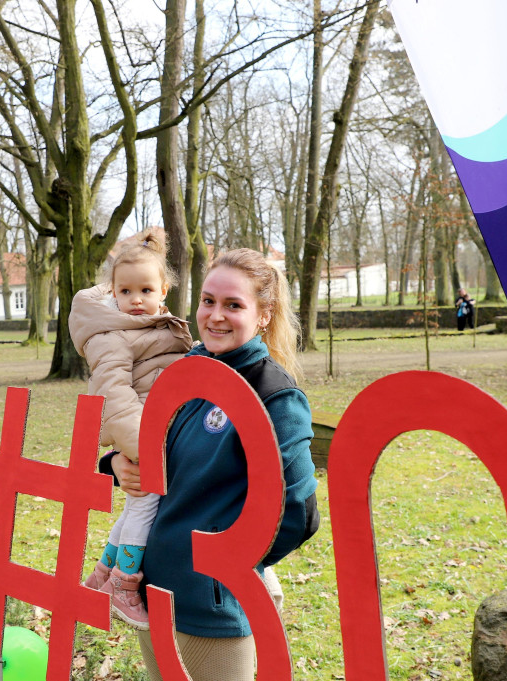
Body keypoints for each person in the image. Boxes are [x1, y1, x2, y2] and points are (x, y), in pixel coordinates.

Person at [104, 248, 320, 681]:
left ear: (263, 314)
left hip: (211, 608)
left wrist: (231, 572)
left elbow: (299, 512)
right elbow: (150, 449)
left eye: (233, 305)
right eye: (208, 301)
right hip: (153, 594)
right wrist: (113, 465)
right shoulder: (184, 371)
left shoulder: (274, 395)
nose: (215, 316)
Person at [69, 229, 193, 629]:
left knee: (134, 507)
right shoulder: (113, 335)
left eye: (145, 289)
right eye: (124, 291)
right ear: (113, 293)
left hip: (156, 432)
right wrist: (144, 448)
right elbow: (115, 396)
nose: (135, 300)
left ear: (164, 291)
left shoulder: (157, 326)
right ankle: (124, 585)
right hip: (144, 439)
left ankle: (103, 573)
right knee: (144, 502)